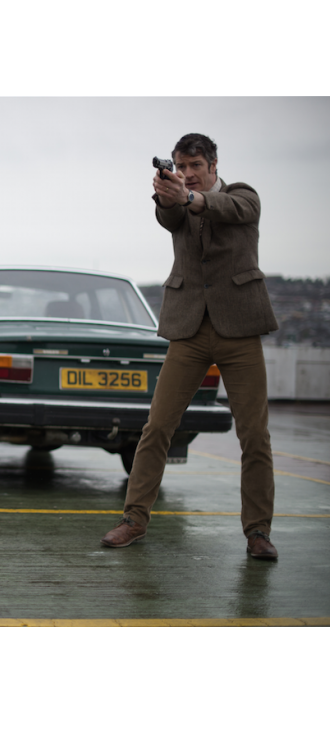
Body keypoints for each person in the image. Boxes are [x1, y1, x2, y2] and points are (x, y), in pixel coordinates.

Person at [100, 133, 280, 560]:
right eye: (180, 166)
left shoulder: (242, 195)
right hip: (189, 329)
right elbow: (169, 217)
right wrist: (168, 195)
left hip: (239, 330)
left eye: (195, 166)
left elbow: (234, 209)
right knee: (157, 427)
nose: (187, 173)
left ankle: (258, 532)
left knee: (254, 435)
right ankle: (133, 520)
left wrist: (189, 196)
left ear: (213, 166)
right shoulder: (177, 202)